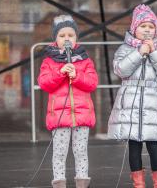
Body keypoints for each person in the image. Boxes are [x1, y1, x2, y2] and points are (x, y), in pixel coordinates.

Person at [107, 4, 157, 188]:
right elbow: (120, 70)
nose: (147, 30)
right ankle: (138, 183)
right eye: (143, 26)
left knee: (154, 146)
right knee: (134, 147)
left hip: (152, 104)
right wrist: (139, 53)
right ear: (134, 28)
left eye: (151, 27)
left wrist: (154, 52)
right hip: (131, 103)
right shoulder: (124, 49)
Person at [38, 15, 98, 188]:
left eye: (70, 35)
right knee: (59, 152)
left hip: (82, 114)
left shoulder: (85, 59)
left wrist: (77, 75)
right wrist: (60, 72)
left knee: (80, 151)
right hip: (59, 115)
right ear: (55, 39)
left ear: (76, 38)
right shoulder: (49, 61)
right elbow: (44, 83)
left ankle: (81, 182)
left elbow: (92, 83)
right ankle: (59, 183)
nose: (66, 39)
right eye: (62, 35)